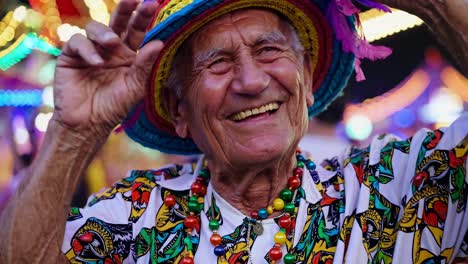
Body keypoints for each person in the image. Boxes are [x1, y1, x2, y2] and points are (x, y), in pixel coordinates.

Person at [0, 0, 467, 263]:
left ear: (305, 80)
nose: (250, 81)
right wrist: (75, 129)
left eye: (268, 50)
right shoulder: (136, 217)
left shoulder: (393, 188)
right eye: (217, 63)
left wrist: (436, 5)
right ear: (179, 111)